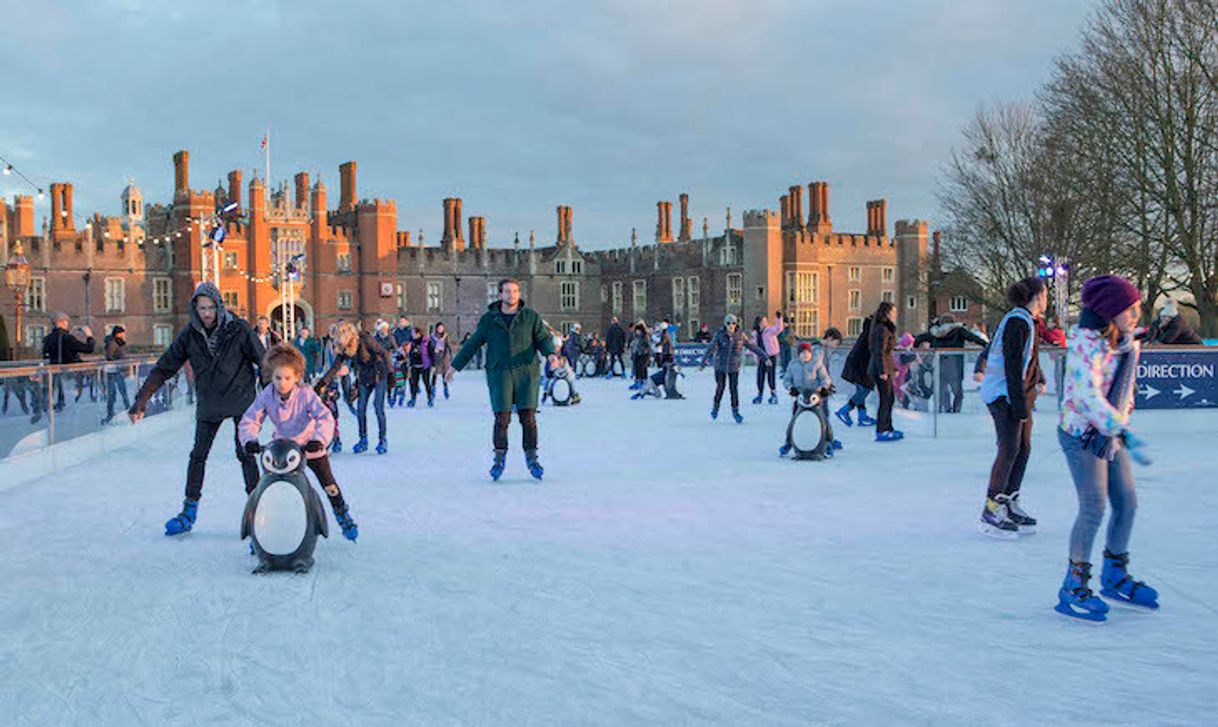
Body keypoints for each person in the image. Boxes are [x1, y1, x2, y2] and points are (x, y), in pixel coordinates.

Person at [1055, 274, 1157, 621]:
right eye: (1130, 309)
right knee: (1094, 506)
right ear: (1109, 312)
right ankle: (1073, 583)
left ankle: (1114, 574)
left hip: (1110, 432)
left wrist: (1120, 427)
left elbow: (1125, 391)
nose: (1136, 315)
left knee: (1127, 502)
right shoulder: (1086, 343)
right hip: (1081, 433)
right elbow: (1086, 398)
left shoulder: (1128, 344)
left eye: (1137, 308)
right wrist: (1120, 430)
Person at [129, 282, 265, 536]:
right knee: (198, 455)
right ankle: (189, 510)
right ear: (195, 308)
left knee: (245, 453)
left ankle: (258, 510)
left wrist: (274, 402)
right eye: (202, 308)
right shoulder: (190, 334)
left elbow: (264, 360)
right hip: (210, 402)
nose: (207, 313)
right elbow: (165, 367)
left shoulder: (238, 329)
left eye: (212, 307)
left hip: (241, 400)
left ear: (219, 306)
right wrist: (142, 399)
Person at [239, 343, 358, 541]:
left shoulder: (306, 394)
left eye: (287, 378)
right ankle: (263, 528)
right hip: (282, 451)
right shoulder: (267, 394)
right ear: (271, 376)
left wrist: (318, 440)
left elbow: (325, 417)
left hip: (308, 447)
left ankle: (342, 514)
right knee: (269, 489)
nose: (282, 383)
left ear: (296, 377)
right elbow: (250, 419)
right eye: (277, 378)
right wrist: (249, 439)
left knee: (329, 485)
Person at [447, 278, 558, 481]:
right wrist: (455, 365)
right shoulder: (490, 319)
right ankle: (499, 459)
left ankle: (532, 459)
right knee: (502, 419)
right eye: (507, 291)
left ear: (519, 293)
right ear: (500, 295)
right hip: (500, 374)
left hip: (526, 373)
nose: (511, 295)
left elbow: (543, 339)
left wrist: (550, 354)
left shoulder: (530, 317)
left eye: (515, 291)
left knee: (529, 418)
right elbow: (473, 343)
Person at [978, 277, 1048, 539]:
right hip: (1003, 395)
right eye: (1045, 294)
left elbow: (1027, 359)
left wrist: (1038, 377)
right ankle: (991, 508)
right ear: (1036, 295)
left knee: (1023, 448)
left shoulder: (1027, 321)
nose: (1047, 299)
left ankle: (1009, 501)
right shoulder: (1017, 321)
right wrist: (1018, 405)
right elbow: (1010, 363)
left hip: (1019, 395)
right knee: (1008, 450)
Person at [318, 321, 392, 454]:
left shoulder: (365, 340)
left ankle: (382, 440)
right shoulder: (345, 347)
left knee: (378, 407)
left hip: (378, 375)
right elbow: (335, 367)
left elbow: (384, 353)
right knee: (361, 408)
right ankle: (363, 440)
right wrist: (322, 383)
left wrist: (391, 374)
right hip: (364, 377)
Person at [780, 330, 843, 457]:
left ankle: (828, 442)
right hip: (800, 397)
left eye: (807, 353)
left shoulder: (816, 361)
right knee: (795, 419)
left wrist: (826, 387)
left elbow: (824, 376)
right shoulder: (795, 363)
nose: (805, 355)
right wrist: (791, 388)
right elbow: (787, 379)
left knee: (823, 418)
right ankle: (789, 442)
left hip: (816, 396)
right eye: (802, 353)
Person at [700, 314, 766, 423]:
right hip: (720, 366)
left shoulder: (740, 335)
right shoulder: (720, 335)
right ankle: (716, 407)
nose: (731, 326)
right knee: (720, 387)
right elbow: (710, 348)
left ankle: (736, 412)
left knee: (733, 389)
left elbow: (752, 346)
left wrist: (764, 357)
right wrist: (703, 363)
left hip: (734, 366)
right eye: (728, 323)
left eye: (733, 323)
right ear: (725, 324)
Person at [916, 314, 988, 413]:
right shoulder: (959, 331)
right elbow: (973, 338)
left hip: (939, 364)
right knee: (958, 392)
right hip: (955, 365)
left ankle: (944, 408)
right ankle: (956, 410)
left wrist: (915, 349)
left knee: (941, 388)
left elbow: (919, 338)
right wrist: (987, 346)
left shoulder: (935, 332)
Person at [42, 312, 95, 412]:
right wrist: (89, 336)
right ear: (63, 322)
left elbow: (46, 356)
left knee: (59, 396)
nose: (67, 324)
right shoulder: (68, 338)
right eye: (66, 322)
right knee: (71, 403)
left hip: (54, 373)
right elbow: (89, 349)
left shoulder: (47, 339)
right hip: (70, 376)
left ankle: (57, 407)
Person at [868, 301, 901, 442]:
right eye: (893, 312)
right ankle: (882, 430)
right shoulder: (881, 329)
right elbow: (879, 352)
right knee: (885, 399)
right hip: (880, 369)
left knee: (890, 398)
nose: (895, 314)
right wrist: (883, 371)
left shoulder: (886, 328)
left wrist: (893, 368)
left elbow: (888, 353)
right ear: (887, 313)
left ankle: (888, 427)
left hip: (885, 367)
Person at [837, 316, 877, 427]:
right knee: (864, 390)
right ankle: (845, 410)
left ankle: (862, 416)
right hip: (861, 366)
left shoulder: (866, 333)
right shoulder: (871, 335)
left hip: (856, 364)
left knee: (862, 389)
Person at [751, 313, 785, 405]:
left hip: (770, 355)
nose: (765, 322)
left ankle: (773, 394)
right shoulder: (755, 333)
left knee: (771, 375)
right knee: (760, 376)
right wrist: (755, 357)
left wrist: (779, 319)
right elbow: (753, 347)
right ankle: (760, 394)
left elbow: (779, 329)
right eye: (763, 321)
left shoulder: (770, 330)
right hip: (761, 356)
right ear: (759, 323)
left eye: (766, 321)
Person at [101, 325, 131, 425]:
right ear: (117, 333)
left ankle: (128, 409)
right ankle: (111, 413)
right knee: (113, 393)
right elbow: (109, 357)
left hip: (118, 371)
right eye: (122, 333)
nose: (123, 335)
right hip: (113, 371)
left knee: (122, 391)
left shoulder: (118, 342)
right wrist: (118, 363)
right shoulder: (112, 343)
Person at [405, 325, 435, 407]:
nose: (412, 335)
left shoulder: (426, 341)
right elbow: (410, 354)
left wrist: (433, 365)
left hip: (424, 365)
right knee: (413, 383)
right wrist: (410, 362)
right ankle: (413, 399)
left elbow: (431, 353)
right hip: (415, 365)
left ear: (418, 333)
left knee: (426, 382)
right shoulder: (411, 342)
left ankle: (429, 398)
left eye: (413, 333)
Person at [430, 322, 453, 400]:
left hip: (444, 357)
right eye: (439, 327)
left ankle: (446, 389)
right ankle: (432, 391)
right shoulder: (432, 336)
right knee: (434, 375)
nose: (440, 329)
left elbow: (449, 346)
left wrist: (450, 355)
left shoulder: (446, 336)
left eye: (441, 328)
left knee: (444, 375)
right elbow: (430, 346)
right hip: (435, 357)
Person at [629, 321, 651, 390]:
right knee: (637, 368)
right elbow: (633, 344)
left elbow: (648, 345)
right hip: (636, 353)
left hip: (643, 354)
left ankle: (643, 381)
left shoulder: (644, 336)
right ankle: (637, 381)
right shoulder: (635, 336)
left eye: (638, 330)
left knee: (642, 368)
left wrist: (646, 350)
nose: (637, 332)